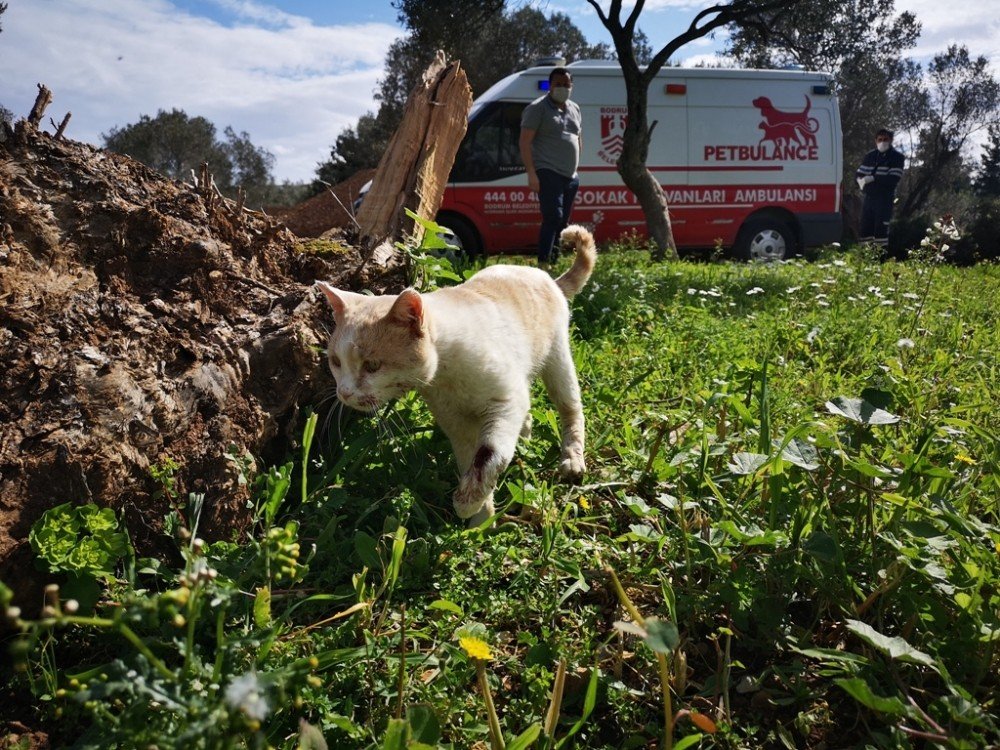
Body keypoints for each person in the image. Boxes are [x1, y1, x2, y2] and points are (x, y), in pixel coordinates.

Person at [519, 67, 582, 267]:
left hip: (570, 176)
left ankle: (554, 262)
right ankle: (543, 262)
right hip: (547, 171)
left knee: (563, 222)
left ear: (571, 86)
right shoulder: (537, 108)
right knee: (553, 216)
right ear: (550, 85)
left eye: (566, 85)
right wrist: (532, 173)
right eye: (558, 84)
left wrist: (577, 166)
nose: (562, 88)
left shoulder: (575, 108)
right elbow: (524, 142)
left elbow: (578, 137)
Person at [856, 128, 905, 247]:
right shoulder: (870, 156)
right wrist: (860, 181)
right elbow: (859, 174)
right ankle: (866, 258)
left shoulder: (897, 157)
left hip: (884, 199)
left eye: (885, 139)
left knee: (880, 230)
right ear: (875, 141)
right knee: (865, 228)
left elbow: (892, 179)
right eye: (880, 139)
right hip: (869, 198)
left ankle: (880, 260)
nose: (882, 142)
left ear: (891, 140)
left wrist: (872, 178)